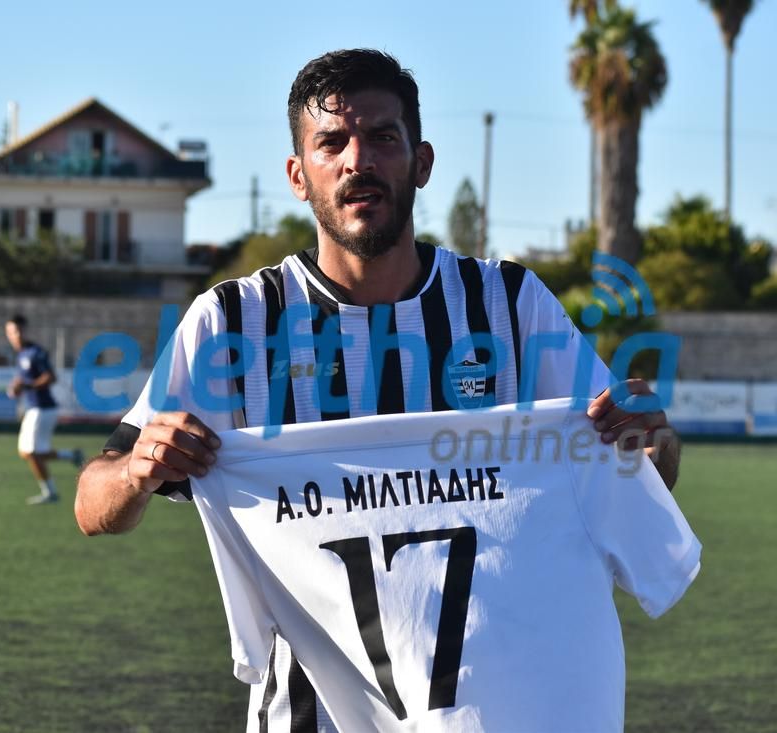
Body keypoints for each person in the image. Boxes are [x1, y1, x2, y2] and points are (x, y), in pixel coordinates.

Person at [75, 49, 683, 728]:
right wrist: (135, 472)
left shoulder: (511, 305)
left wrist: (651, 441)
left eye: (383, 138)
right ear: (298, 175)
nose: (357, 161)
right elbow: (92, 504)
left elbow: (641, 465)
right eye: (332, 142)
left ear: (421, 162)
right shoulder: (235, 321)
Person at [5, 314, 83, 505]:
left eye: (18, 331)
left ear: (25, 331)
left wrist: (26, 386)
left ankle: (50, 493)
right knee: (26, 453)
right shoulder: (21, 354)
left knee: (33, 453)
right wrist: (16, 387)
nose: (16, 335)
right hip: (34, 409)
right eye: (12, 332)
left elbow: (50, 377)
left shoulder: (35, 352)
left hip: (43, 408)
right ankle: (72, 456)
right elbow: (24, 380)